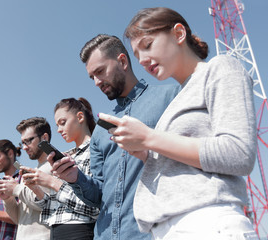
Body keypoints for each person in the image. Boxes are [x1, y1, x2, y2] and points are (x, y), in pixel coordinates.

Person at [97, 7, 258, 239]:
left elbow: (238, 153)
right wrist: (144, 152)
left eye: (148, 45)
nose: (142, 60)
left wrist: (150, 138)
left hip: (208, 223)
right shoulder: (177, 99)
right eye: (136, 54)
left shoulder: (220, 68)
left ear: (179, 34)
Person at [49, 34, 180, 240]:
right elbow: (98, 194)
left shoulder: (171, 97)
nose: (96, 82)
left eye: (100, 71)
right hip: (105, 235)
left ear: (122, 61)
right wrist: (75, 178)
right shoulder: (100, 130)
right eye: (92, 76)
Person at [21, 97, 99, 240]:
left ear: (80, 117)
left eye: (62, 123)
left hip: (80, 231)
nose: (58, 130)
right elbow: (53, 205)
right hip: (56, 230)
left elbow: (94, 208)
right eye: (57, 125)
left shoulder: (96, 151)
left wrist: (52, 182)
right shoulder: (66, 155)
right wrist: (36, 188)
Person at [0, 117, 52, 240]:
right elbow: (19, 219)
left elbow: (47, 206)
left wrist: (16, 188)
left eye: (28, 141)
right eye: (23, 143)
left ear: (44, 138)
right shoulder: (33, 171)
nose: (24, 147)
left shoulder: (54, 167)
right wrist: (8, 199)